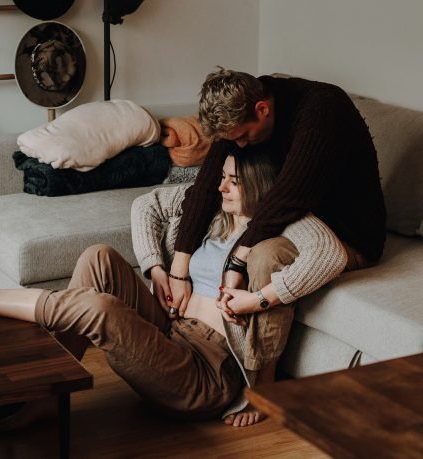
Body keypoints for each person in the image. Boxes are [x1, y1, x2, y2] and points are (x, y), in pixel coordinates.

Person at [0, 147, 346, 428]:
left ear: (260, 186)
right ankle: (48, 393)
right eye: (223, 176)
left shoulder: (285, 227)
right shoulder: (212, 212)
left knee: (99, 308)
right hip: (171, 335)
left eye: (234, 179)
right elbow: (148, 203)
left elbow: (331, 253)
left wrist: (258, 298)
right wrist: (158, 269)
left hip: (205, 374)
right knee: (98, 257)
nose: (221, 185)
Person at [166, 69, 387, 382]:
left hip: (345, 234)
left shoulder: (322, 110)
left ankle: (262, 380)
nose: (240, 147)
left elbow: (288, 198)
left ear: (262, 109)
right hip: (296, 220)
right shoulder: (239, 111)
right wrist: (179, 270)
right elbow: (204, 187)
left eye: (243, 137)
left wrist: (236, 262)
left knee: (265, 256)